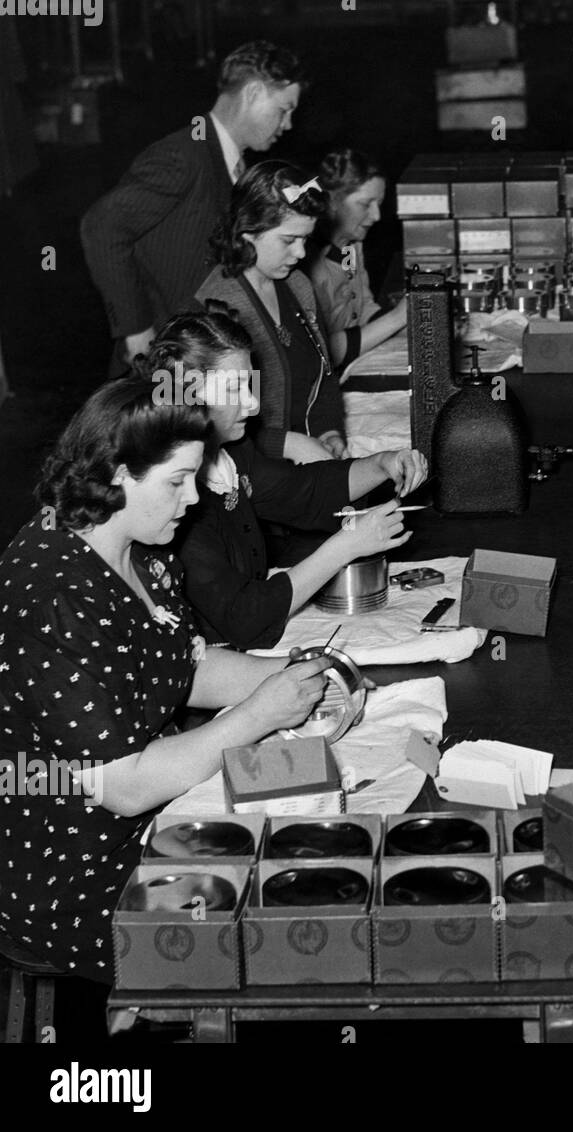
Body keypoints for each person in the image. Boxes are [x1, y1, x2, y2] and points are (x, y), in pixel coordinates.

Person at [0, 379, 333, 981]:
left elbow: (181, 667)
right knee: (296, 934)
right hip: (77, 869)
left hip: (156, 819)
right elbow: (123, 786)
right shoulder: (52, 595)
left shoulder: (141, 547)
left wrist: (298, 676)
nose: (193, 497)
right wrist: (259, 714)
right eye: (177, 481)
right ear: (118, 476)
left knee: (321, 852)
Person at [143, 312, 425, 650]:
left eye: (250, 385)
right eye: (233, 389)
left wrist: (383, 464)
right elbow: (243, 619)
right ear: (187, 397)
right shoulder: (175, 500)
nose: (252, 404)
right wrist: (347, 546)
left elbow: (303, 491)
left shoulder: (230, 454)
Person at [81, 41, 305, 372]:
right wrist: (134, 329)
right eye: (284, 110)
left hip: (208, 362)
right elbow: (101, 226)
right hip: (165, 367)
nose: (287, 124)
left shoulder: (234, 165)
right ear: (253, 93)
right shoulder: (183, 156)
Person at [196, 161, 344, 463]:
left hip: (306, 457)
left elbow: (324, 376)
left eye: (305, 239)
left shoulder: (299, 286)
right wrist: (283, 444)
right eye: (289, 240)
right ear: (247, 232)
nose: (301, 253)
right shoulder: (212, 307)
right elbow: (194, 415)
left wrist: (328, 430)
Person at [304, 148, 408, 370]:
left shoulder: (350, 246)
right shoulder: (306, 262)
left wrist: (410, 323)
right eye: (365, 204)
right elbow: (321, 350)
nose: (376, 216)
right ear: (331, 202)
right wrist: (397, 318)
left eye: (379, 204)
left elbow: (363, 310)